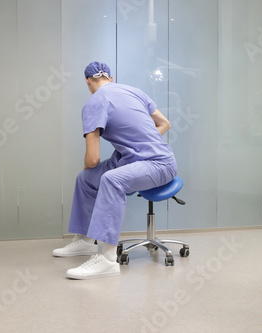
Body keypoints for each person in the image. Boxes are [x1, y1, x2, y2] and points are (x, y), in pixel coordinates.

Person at [53, 61, 178, 279]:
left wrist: (141, 149)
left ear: (87, 82)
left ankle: (108, 260)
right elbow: (164, 123)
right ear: (110, 78)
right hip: (135, 159)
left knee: (110, 179)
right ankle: (85, 241)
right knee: (86, 179)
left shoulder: (93, 103)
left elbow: (93, 159)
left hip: (158, 163)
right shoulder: (134, 91)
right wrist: (142, 143)